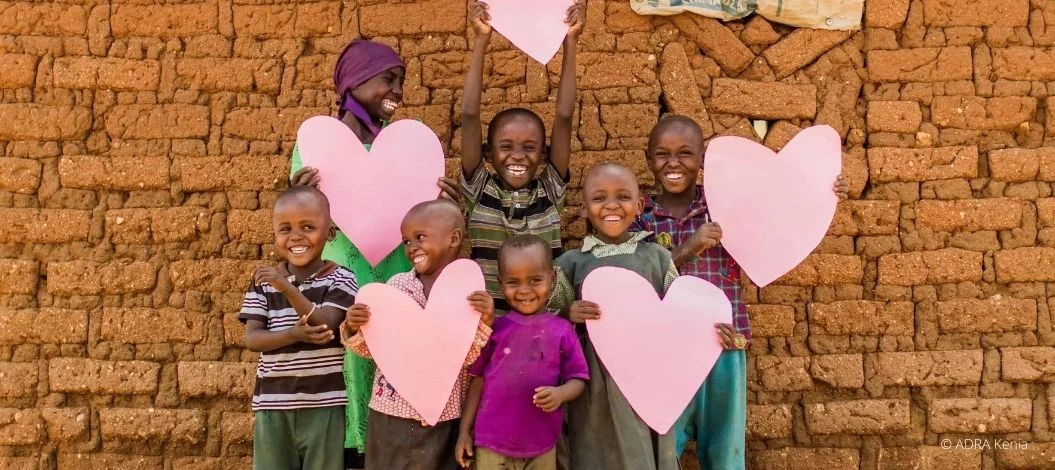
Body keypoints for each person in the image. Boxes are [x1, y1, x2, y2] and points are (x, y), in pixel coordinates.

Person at [631, 115, 850, 468]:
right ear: (647, 159)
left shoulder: (726, 201)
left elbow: (781, 215)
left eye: (685, 153)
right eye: (662, 154)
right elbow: (636, 278)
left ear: (702, 159)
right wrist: (686, 249)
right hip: (666, 349)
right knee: (662, 451)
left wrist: (822, 192)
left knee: (725, 451)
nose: (673, 163)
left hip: (723, 343)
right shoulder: (639, 215)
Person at [287, 38, 460, 465]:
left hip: (397, 277)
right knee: (347, 362)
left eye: (401, 81)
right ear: (355, 81)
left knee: (391, 358)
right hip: (340, 282)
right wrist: (298, 197)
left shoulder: (410, 152)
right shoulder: (316, 149)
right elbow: (297, 229)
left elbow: (429, 224)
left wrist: (448, 208)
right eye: (388, 79)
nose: (398, 91)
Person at [340, 199, 495, 470]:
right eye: (406, 241)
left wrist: (485, 321)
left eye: (420, 237)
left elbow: (470, 359)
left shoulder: (469, 295)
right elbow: (374, 350)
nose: (412, 247)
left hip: (443, 415)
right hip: (390, 414)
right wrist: (354, 327)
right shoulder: (396, 288)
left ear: (453, 238)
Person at [548, 163, 682, 470]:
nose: (611, 205)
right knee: (596, 445)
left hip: (647, 373)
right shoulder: (571, 263)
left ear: (639, 206)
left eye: (622, 196)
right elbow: (547, 323)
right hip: (595, 379)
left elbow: (679, 314)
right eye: (599, 198)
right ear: (584, 209)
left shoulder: (657, 258)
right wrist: (569, 313)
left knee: (644, 443)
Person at [460, 0, 585, 314]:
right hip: (491, 329)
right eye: (506, 146)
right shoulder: (480, 190)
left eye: (529, 148)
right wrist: (481, 40)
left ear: (543, 155)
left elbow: (565, 116)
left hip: (546, 329)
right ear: (488, 153)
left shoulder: (549, 192)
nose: (518, 156)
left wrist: (570, 43)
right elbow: (469, 115)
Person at [240, 186, 356, 470]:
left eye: (308, 227)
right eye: (285, 229)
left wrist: (287, 289)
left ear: (330, 233)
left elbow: (326, 325)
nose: (296, 236)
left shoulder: (341, 279)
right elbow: (253, 339)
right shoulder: (263, 281)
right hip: (273, 405)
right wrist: (292, 335)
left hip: (324, 405)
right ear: (275, 236)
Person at [456, 235, 589, 470]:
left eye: (535, 280)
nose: (524, 291)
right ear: (500, 283)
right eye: (513, 282)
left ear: (552, 279)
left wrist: (560, 394)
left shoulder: (562, 330)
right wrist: (464, 431)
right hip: (491, 442)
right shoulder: (494, 330)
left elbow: (579, 379)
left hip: (541, 442)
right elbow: (478, 381)